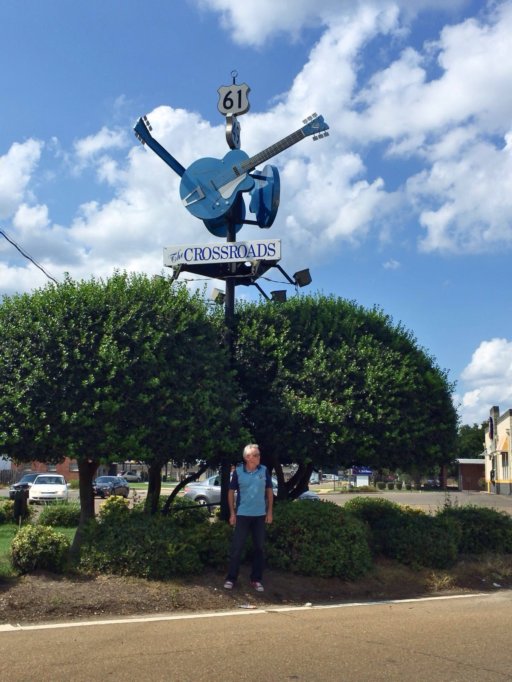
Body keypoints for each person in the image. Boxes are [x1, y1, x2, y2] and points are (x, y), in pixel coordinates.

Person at [224, 443, 273, 592]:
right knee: (237, 548)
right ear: (247, 457)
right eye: (256, 455)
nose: (259, 457)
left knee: (259, 548)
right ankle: (231, 578)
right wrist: (232, 513)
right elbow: (231, 492)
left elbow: (269, 491)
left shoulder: (264, 470)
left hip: (260, 516)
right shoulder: (238, 472)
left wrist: (269, 512)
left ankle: (256, 579)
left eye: (259, 454)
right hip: (242, 515)